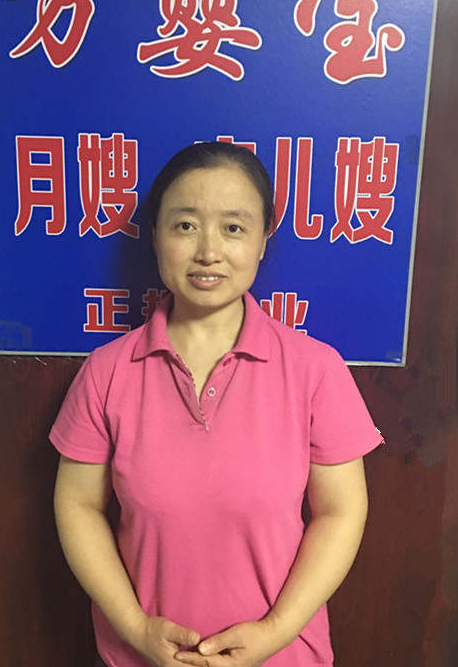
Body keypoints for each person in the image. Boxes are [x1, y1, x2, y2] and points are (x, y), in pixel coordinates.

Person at [50, 142, 383, 667]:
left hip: (282, 656)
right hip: (141, 656)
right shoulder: (107, 372)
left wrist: (275, 632)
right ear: (155, 235)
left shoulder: (316, 370)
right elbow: (78, 506)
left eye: (233, 227)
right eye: (185, 226)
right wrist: (135, 628)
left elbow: (341, 512)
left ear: (263, 239)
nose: (209, 251)